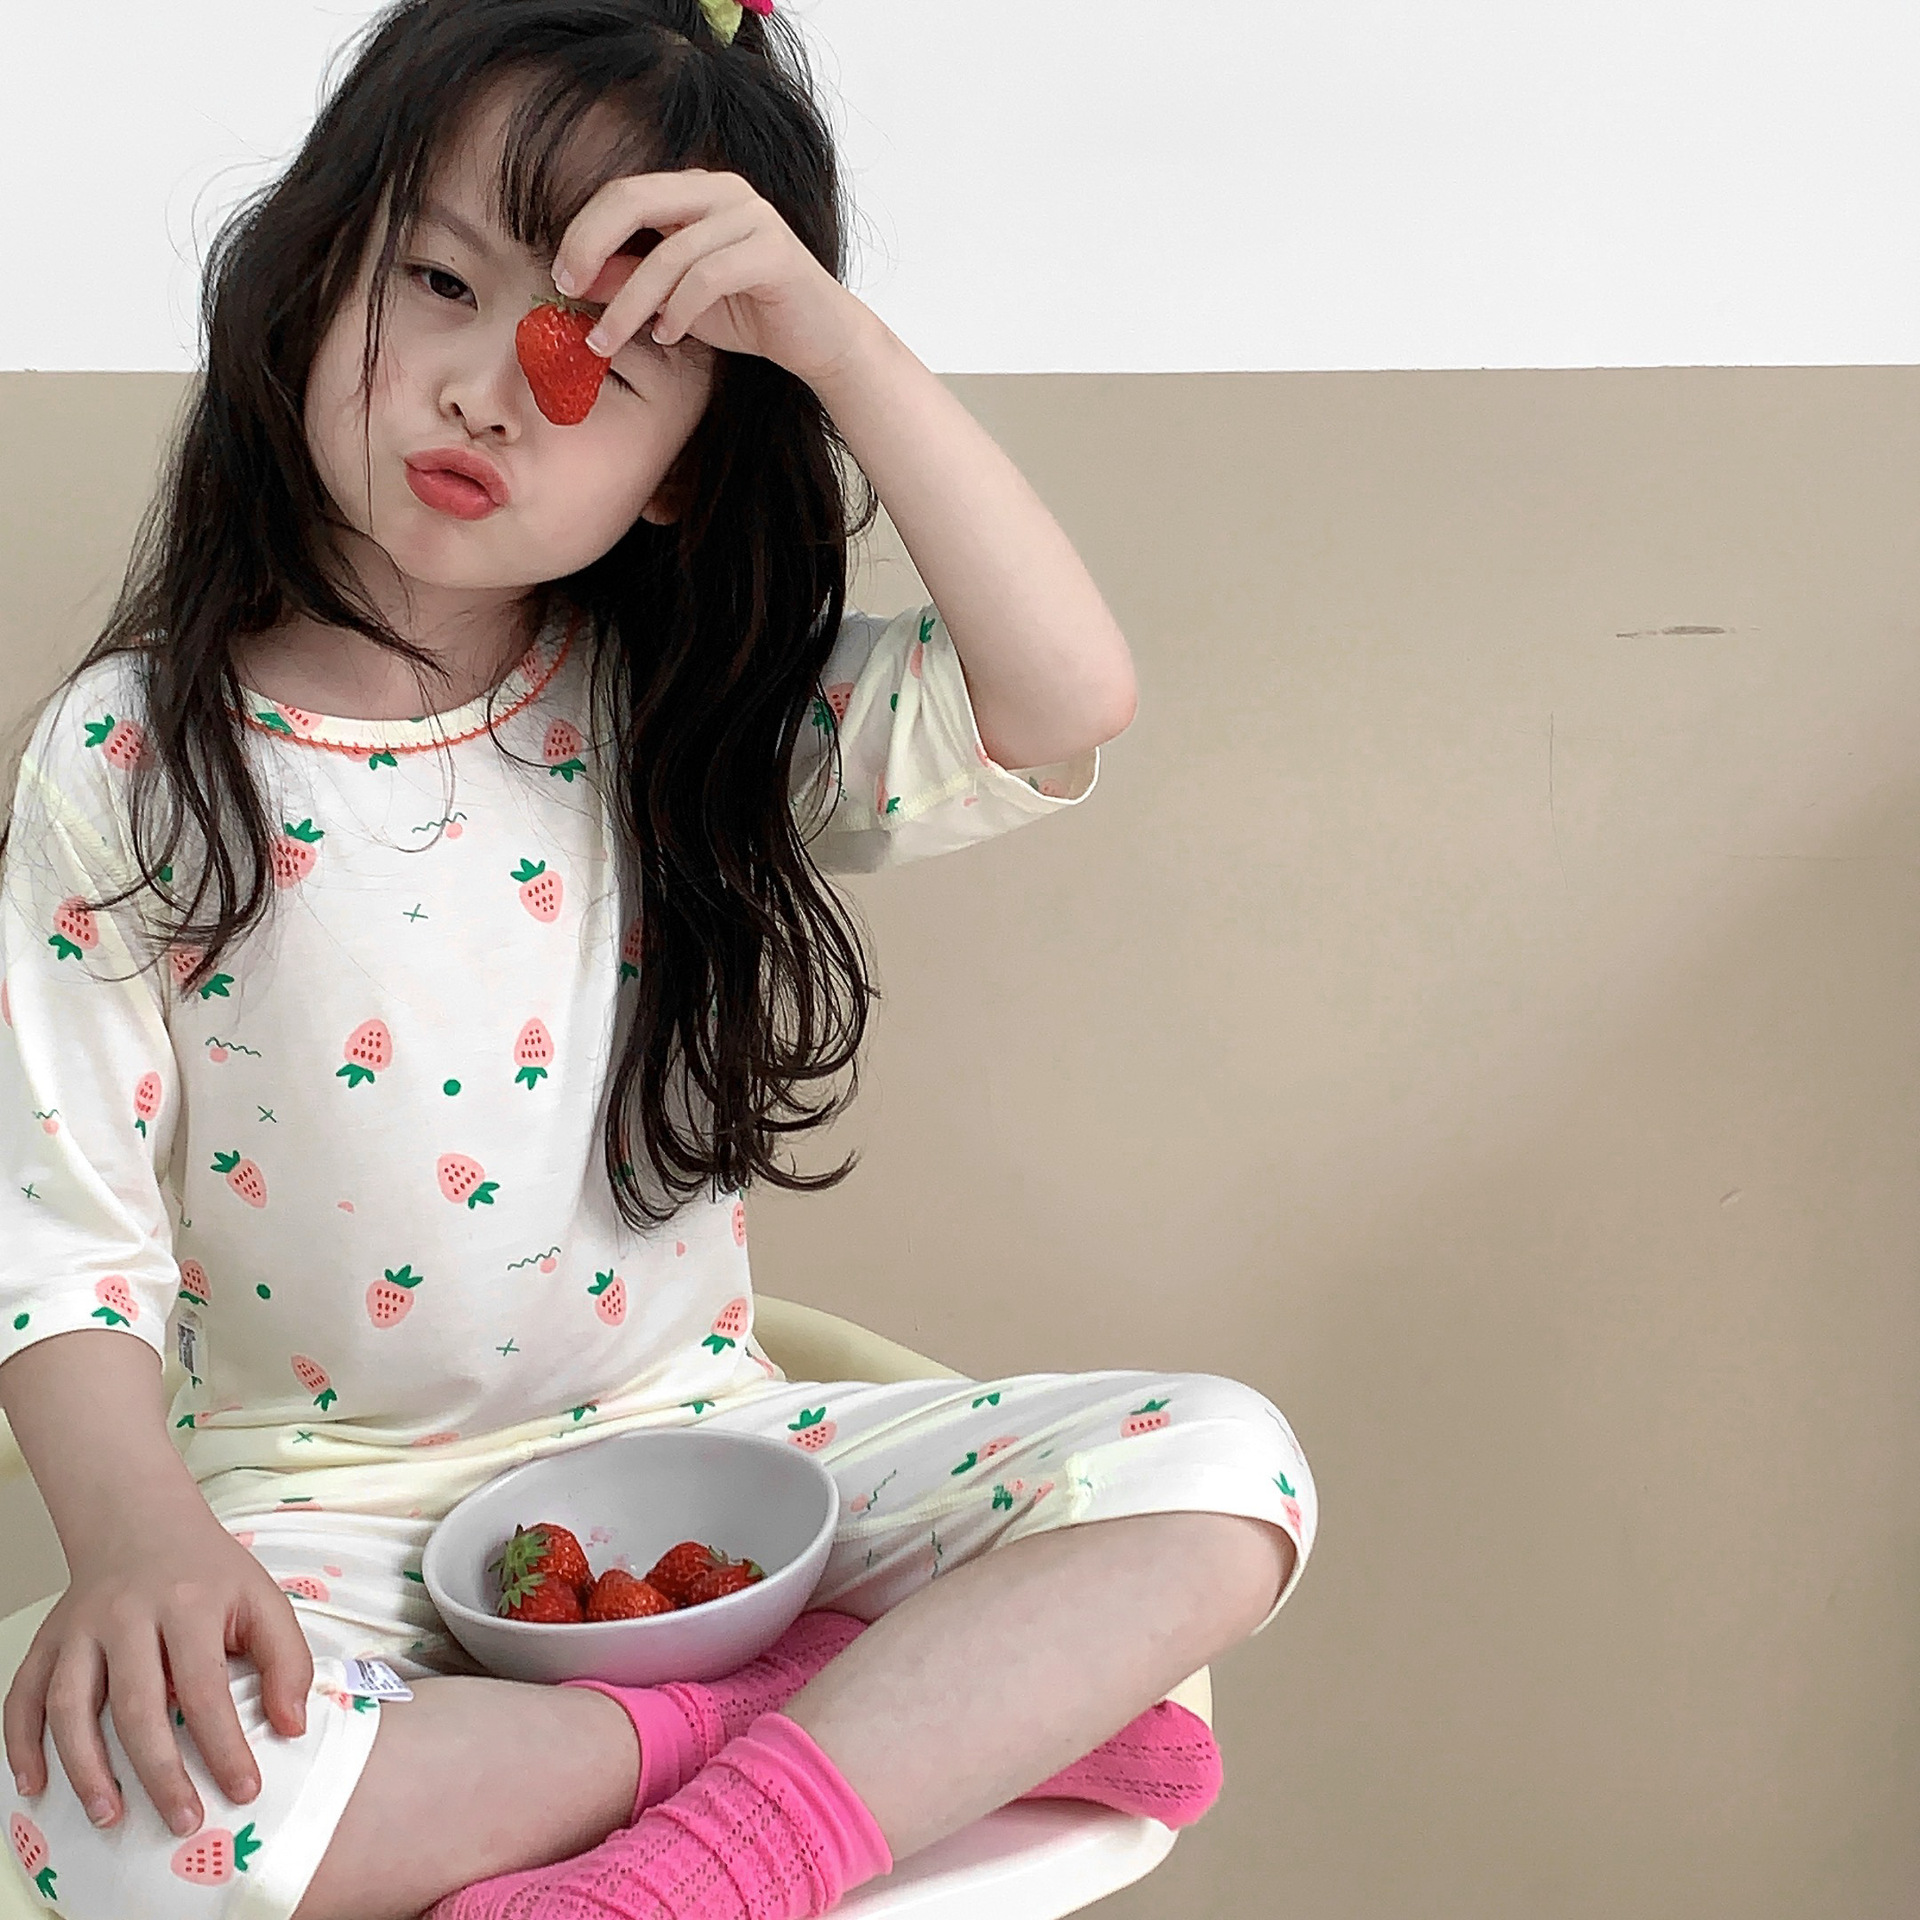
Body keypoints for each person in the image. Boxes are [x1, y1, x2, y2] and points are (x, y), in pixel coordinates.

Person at [0, 2, 1316, 1915]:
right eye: (439, 283)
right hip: (319, 1520)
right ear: (311, 280)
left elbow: (1060, 697)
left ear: (687, 469)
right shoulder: (132, 755)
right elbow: (62, 1237)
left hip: (713, 1473)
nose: (490, 391)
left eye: (609, 365)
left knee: (1229, 1475)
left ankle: (692, 1869)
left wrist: (832, 345)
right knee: (110, 1836)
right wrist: (137, 1547)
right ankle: (777, 1730)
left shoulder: (683, 711)